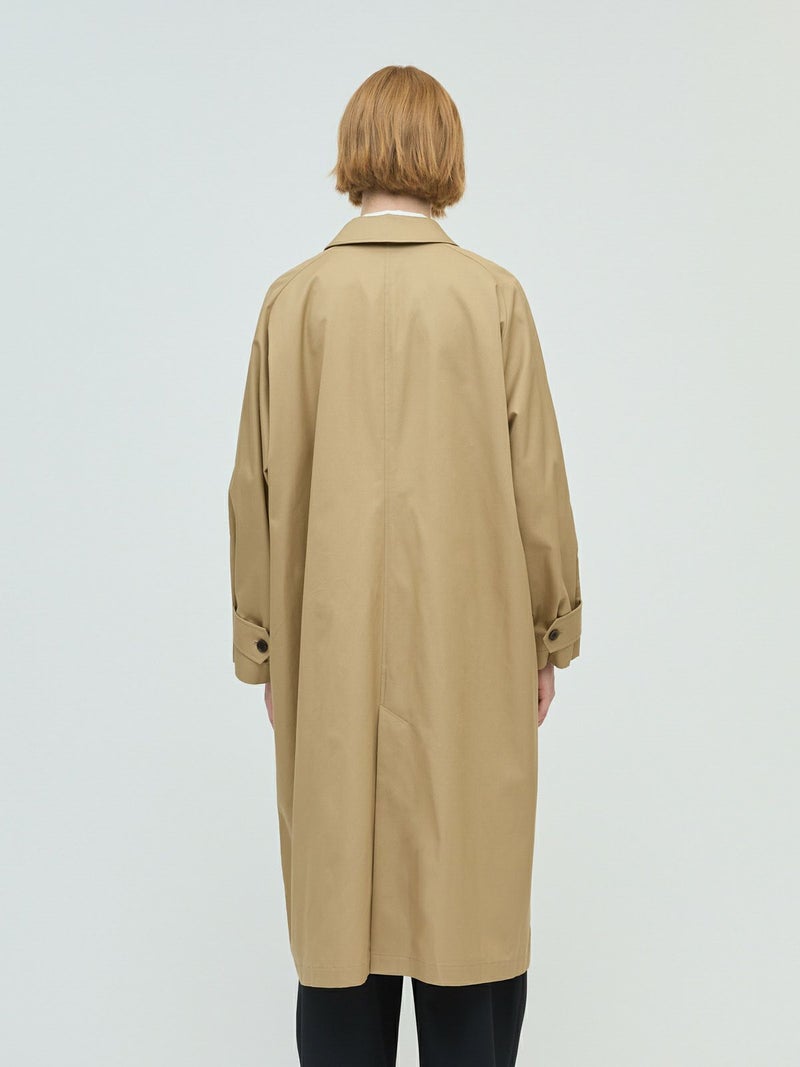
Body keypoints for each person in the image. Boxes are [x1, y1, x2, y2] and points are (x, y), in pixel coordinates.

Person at [227, 65, 582, 1067]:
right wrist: (548, 632)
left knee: (340, 933)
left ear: (354, 149)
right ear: (445, 154)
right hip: (470, 663)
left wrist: (264, 647)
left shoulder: (292, 302)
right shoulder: (492, 298)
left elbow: (252, 492)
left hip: (328, 661)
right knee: (469, 923)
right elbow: (539, 487)